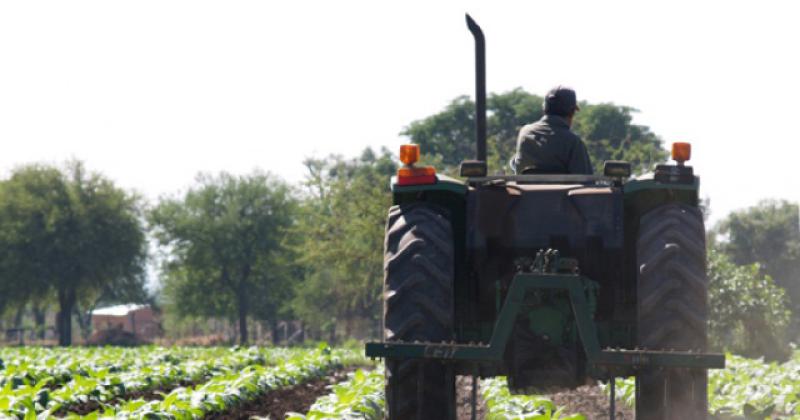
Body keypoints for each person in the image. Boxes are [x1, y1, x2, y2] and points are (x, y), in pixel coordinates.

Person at [511, 86, 593, 175]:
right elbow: (586, 179)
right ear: (572, 112)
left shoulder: (525, 132)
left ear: (544, 109)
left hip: (524, 188)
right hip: (561, 189)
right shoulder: (573, 142)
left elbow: (517, 163)